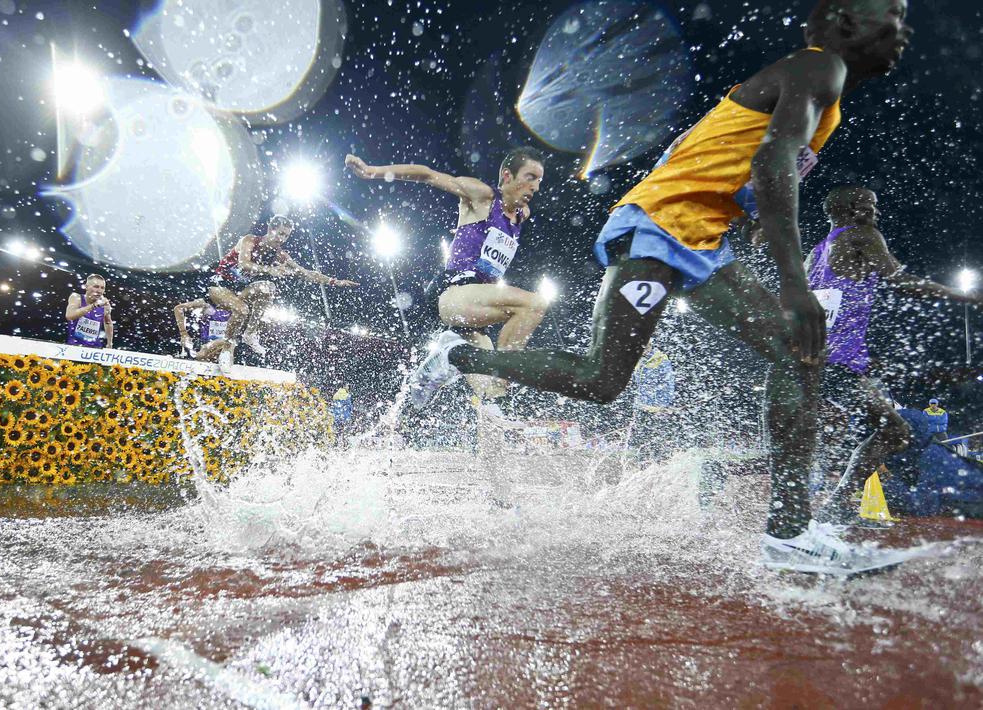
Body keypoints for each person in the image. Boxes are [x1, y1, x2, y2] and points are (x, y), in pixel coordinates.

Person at [407, 0, 916, 574]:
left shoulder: (819, 82)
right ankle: (458, 356)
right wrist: (795, 285)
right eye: (894, 11)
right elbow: (772, 163)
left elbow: (741, 165)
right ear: (847, 19)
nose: (904, 27)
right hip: (658, 228)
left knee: (796, 351)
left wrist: (744, 216)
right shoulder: (820, 67)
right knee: (602, 379)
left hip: (700, 242)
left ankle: (790, 532)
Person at [805, 186, 982, 524]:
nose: (877, 213)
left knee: (885, 430)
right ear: (853, 209)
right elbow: (900, 280)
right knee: (896, 432)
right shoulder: (862, 234)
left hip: (817, 357)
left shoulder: (814, 253)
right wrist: (967, 297)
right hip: (838, 360)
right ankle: (835, 510)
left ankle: (833, 507)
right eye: (872, 205)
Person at [345, 147, 548, 401]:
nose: (536, 187)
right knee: (533, 305)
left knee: (492, 396)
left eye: (539, 181)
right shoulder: (483, 196)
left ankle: (447, 356)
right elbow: (428, 175)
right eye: (530, 177)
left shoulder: (522, 216)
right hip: (454, 293)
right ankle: (454, 353)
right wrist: (372, 171)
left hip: (475, 310)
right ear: (507, 176)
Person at [210, 215, 358, 364]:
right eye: (280, 233)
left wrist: (335, 281)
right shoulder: (250, 240)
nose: (282, 239)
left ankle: (250, 334)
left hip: (239, 290)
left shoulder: (279, 255)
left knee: (268, 288)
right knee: (242, 310)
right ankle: (227, 350)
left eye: (286, 236)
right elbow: (243, 264)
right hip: (220, 285)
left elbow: (305, 273)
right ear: (270, 229)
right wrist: (270, 270)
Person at [630, 341, 676, 464]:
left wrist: (664, 406)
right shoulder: (638, 361)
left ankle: (660, 465)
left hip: (657, 409)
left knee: (657, 440)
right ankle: (642, 466)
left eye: (644, 347)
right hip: (641, 408)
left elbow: (669, 385)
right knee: (641, 441)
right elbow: (638, 385)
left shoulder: (661, 359)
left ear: (649, 346)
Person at [172, 295, 236, 364]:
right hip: (206, 343)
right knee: (228, 343)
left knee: (229, 343)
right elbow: (178, 308)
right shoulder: (205, 303)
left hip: (226, 347)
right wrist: (183, 334)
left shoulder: (238, 309)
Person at [65, 274, 113, 349]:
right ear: (86, 287)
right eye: (96, 286)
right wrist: (94, 306)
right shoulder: (76, 297)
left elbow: (108, 323)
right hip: (74, 347)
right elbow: (69, 316)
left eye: (102, 288)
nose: (99, 291)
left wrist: (109, 344)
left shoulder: (104, 304)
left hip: (94, 349)